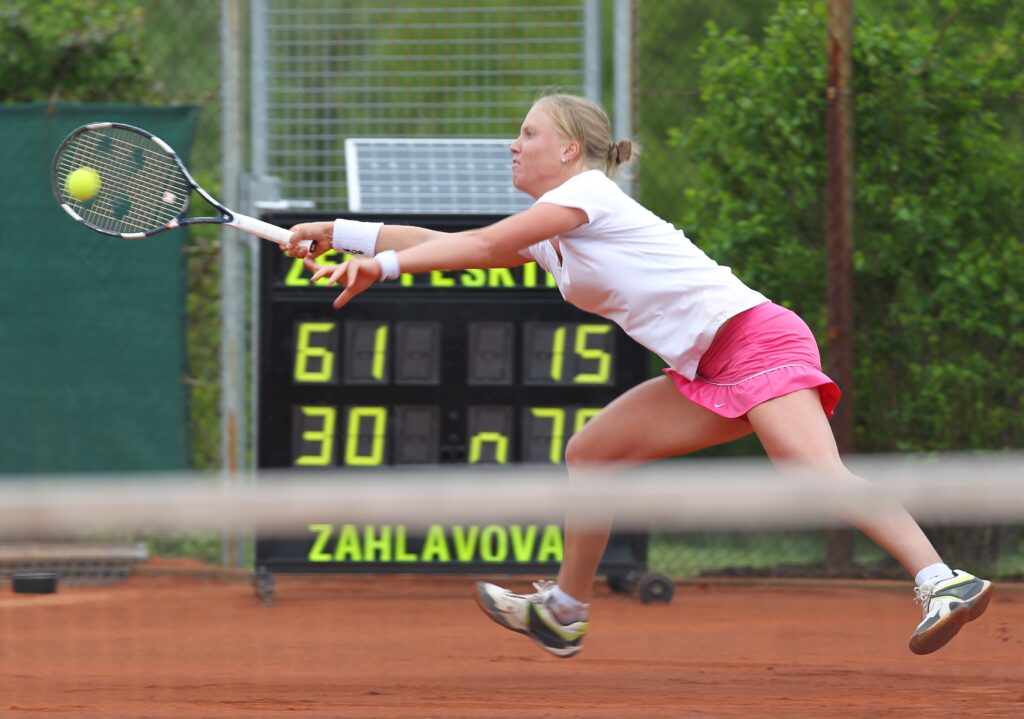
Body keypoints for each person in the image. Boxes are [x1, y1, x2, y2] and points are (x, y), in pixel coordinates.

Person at [284, 93, 992, 658]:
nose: (513, 144)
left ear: (569, 150)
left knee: (813, 474)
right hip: (706, 364)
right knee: (591, 453)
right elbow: (456, 243)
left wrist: (384, 267)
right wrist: (342, 232)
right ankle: (564, 612)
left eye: (528, 133)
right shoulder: (555, 233)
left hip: (755, 338)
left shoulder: (591, 193)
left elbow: (482, 242)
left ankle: (943, 580)